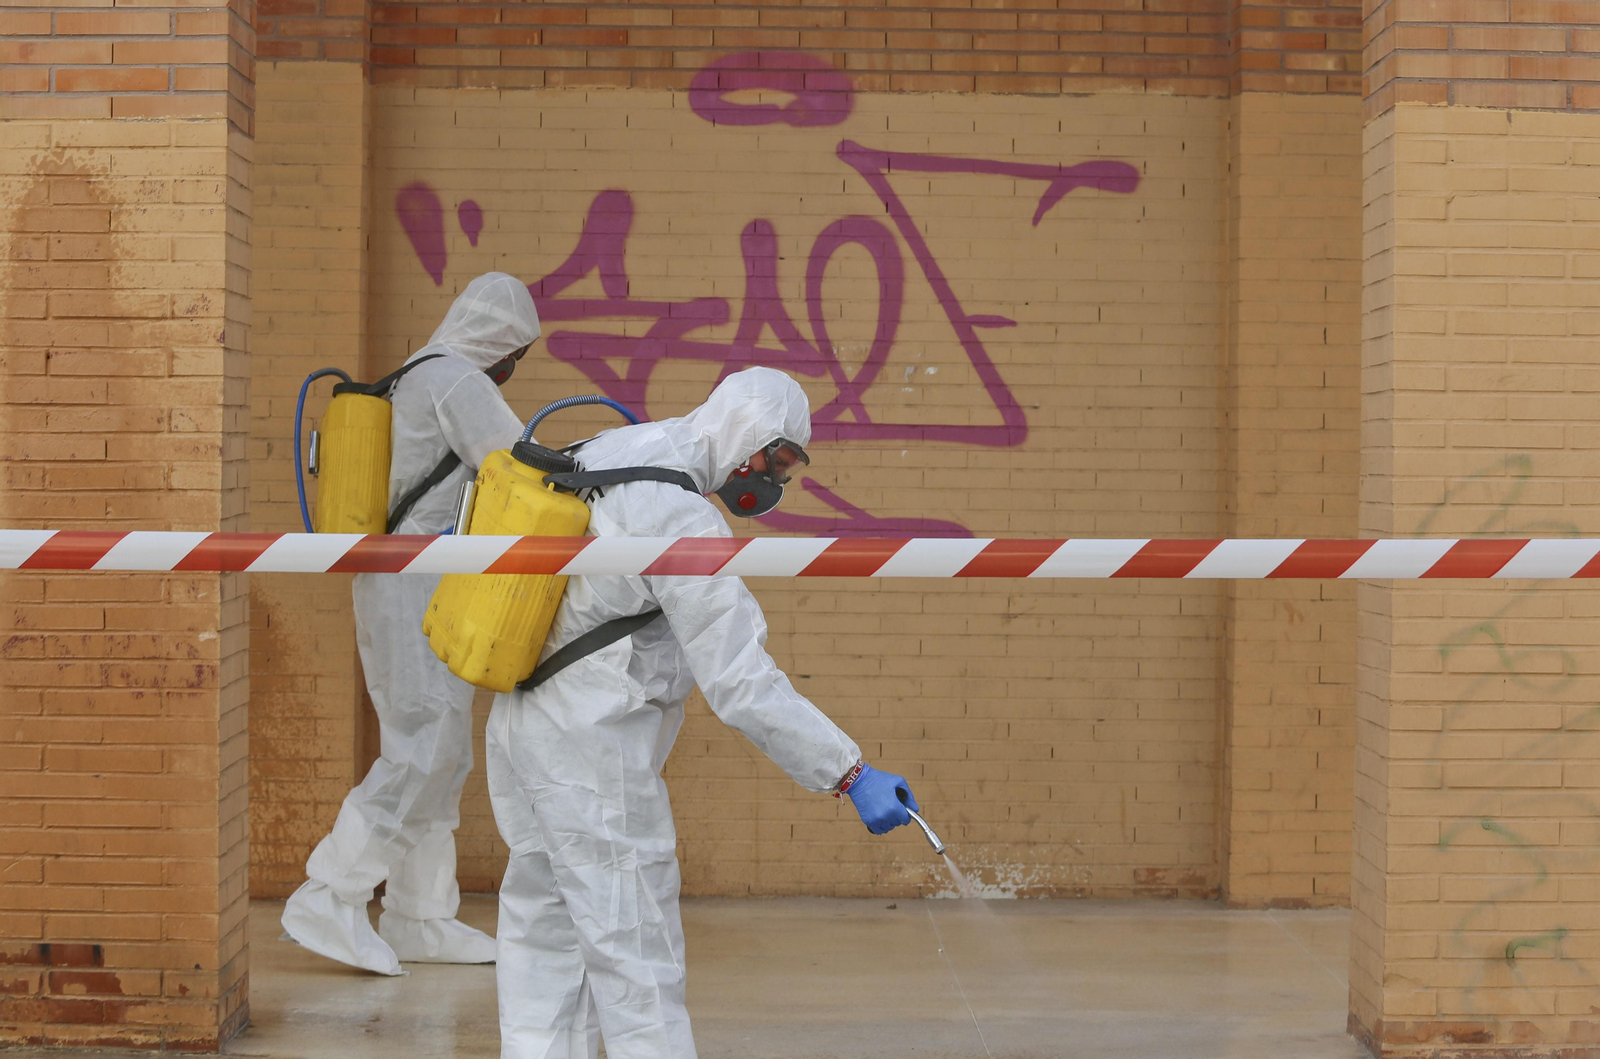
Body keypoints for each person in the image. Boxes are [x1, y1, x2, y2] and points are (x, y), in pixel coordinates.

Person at [486, 366, 920, 1057]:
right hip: (593, 753)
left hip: (521, 722)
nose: (773, 480)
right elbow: (741, 680)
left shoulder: (611, 449)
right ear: (749, 434)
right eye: (777, 459)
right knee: (637, 957)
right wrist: (848, 769)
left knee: (545, 927)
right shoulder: (681, 517)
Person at [282, 272, 541, 975]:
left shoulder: (413, 374)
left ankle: (420, 914)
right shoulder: (458, 382)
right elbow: (521, 468)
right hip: (410, 584)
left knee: (443, 747)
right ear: (500, 343)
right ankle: (330, 892)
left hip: (415, 583)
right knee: (421, 744)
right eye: (515, 353)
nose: (513, 368)